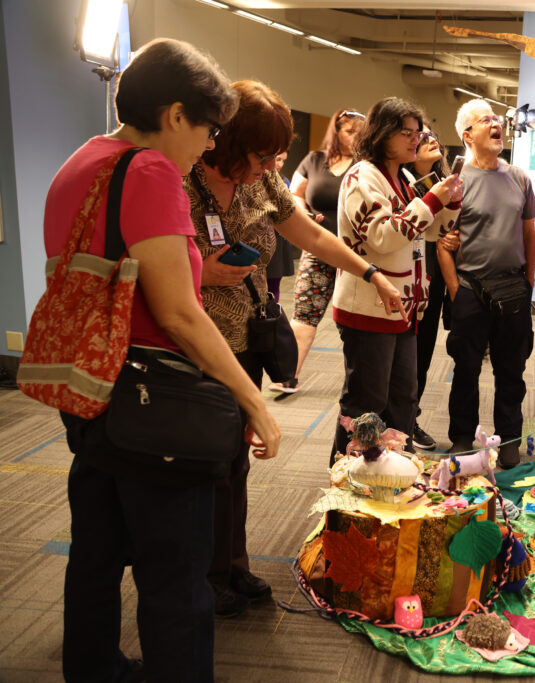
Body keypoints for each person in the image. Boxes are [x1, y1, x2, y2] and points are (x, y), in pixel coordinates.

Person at [47, 38, 281, 681]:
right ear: (176, 114)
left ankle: (93, 669)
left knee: (95, 551)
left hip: (90, 383)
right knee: (176, 574)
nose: (208, 145)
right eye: (207, 128)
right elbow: (179, 311)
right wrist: (253, 399)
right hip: (153, 396)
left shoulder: (80, 161)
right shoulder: (149, 170)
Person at [186, 81, 403, 619]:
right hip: (196, 344)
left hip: (245, 342)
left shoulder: (264, 181)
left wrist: (370, 271)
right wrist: (204, 270)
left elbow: (309, 235)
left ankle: (231, 564)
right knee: (206, 462)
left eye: (273, 158)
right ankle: (203, 574)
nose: (267, 167)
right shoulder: (181, 180)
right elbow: (152, 263)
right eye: (261, 156)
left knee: (234, 459)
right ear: (226, 142)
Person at [331, 97, 462, 459]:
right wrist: (432, 201)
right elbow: (383, 236)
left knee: (402, 400)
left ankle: (388, 474)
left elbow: (427, 233)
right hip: (370, 306)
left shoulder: (401, 176)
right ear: (382, 133)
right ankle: (346, 480)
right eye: (405, 133)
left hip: (402, 308)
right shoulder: (362, 176)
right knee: (366, 403)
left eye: (417, 133)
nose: (414, 140)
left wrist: (448, 203)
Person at [437, 99, 535, 468]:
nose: (496, 124)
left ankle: (509, 440)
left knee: (511, 370)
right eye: (486, 121)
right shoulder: (455, 184)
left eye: (497, 119)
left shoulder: (519, 178)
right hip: (470, 289)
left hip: (513, 288)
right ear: (468, 135)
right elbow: (442, 241)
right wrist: (455, 290)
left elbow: (529, 234)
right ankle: (463, 437)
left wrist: (528, 285)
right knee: (465, 370)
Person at [269, 108, 366, 394]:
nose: (354, 137)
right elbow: (295, 195)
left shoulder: (366, 166)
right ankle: (289, 376)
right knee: (305, 314)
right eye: (349, 131)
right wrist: (305, 214)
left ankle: (361, 383)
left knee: (355, 323)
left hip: (354, 254)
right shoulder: (314, 160)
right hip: (318, 248)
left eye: (360, 132)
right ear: (336, 132)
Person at [400, 127, 461, 451]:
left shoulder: (443, 179)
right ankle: (394, 423)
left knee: (423, 352)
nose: (430, 140)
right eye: (422, 139)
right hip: (400, 277)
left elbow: (441, 229)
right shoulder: (398, 181)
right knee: (399, 356)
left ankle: (410, 419)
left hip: (431, 275)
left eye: (433, 136)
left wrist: (450, 236)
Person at [264, 151, 294, 302]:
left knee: (274, 283)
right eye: (278, 159)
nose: (280, 164)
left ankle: (272, 315)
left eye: (284, 161)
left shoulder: (285, 181)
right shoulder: (255, 180)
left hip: (279, 237)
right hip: (262, 237)